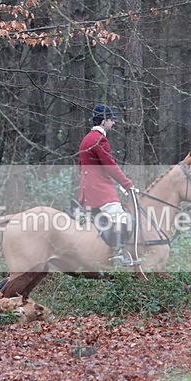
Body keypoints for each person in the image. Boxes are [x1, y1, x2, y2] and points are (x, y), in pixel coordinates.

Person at [78, 103, 139, 266]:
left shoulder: (86, 139)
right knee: (121, 217)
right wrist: (127, 184)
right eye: (111, 119)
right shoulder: (99, 139)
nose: (114, 122)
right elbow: (110, 166)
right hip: (99, 191)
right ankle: (117, 253)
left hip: (87, 190)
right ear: (103, 120)